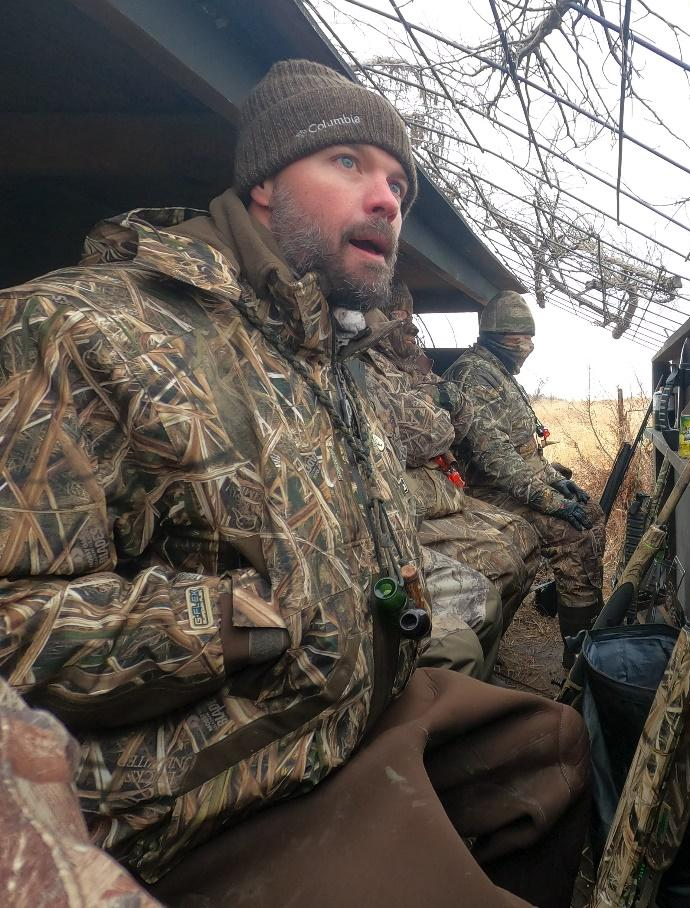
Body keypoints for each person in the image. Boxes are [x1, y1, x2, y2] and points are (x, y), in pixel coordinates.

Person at [0, 59, 587, 905]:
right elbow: (14, 622)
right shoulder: (81, 328)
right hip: (205, 798)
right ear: (265, 184)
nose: (387, 199)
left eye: (399, 183)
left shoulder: (325, 353)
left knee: (553, 750)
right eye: (348, 162)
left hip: (348, 719)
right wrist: (249, 623)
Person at [362, 283, 542, 676]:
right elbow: (425, 432)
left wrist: (441, 410)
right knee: (500, 566)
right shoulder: (367, 366)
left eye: (412, 320)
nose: (412, 330)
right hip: (413, 503)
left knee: (522, 537)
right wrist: (441, 414)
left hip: (442, 492)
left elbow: (458, 419)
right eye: (400, 319)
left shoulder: (408, 365)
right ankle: (456, 669)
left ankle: (486, 657)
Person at [444, 292, 607, 662]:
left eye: (530, 337)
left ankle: (588, 623)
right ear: (497, 336)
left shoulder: (498, 371)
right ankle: (579, 657)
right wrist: (552, 501)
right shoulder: (474, 376)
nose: (527, 346)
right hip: (485, 492)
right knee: (573, 534)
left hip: (512, 484)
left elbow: (523, 450)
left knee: (591, 514)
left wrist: (554, 479)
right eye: (520, 337)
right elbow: (496, 459)